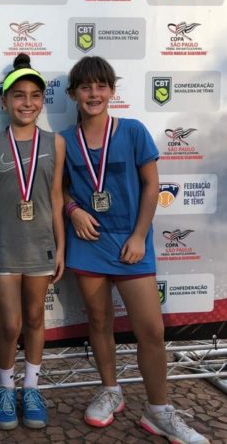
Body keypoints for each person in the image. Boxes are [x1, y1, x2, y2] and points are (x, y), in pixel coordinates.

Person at [61, 55, 209, 444]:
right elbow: (58, 189)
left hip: (132, 243)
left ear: (112, 91)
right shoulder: (64, 141)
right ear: (74, 94)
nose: (94, 94)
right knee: (98, 321)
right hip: (89, 243)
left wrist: (140, 235)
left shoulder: (132, 131)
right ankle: (111, 390)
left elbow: (152, 185)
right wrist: (73, 210)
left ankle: (159, 411)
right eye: (85, 87)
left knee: (151, 330)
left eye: (101, 86)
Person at [0, 53, 65, 431]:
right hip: (3, 248)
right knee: (10, 325)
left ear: (42, 101)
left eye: (34, 96)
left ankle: (31, 388)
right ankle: (5, 388)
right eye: (19, 95)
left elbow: (56, 197)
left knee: (35, 319)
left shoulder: (55, 142)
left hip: (40, 246)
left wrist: (61, 246)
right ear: (5, 101)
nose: (27, 103)